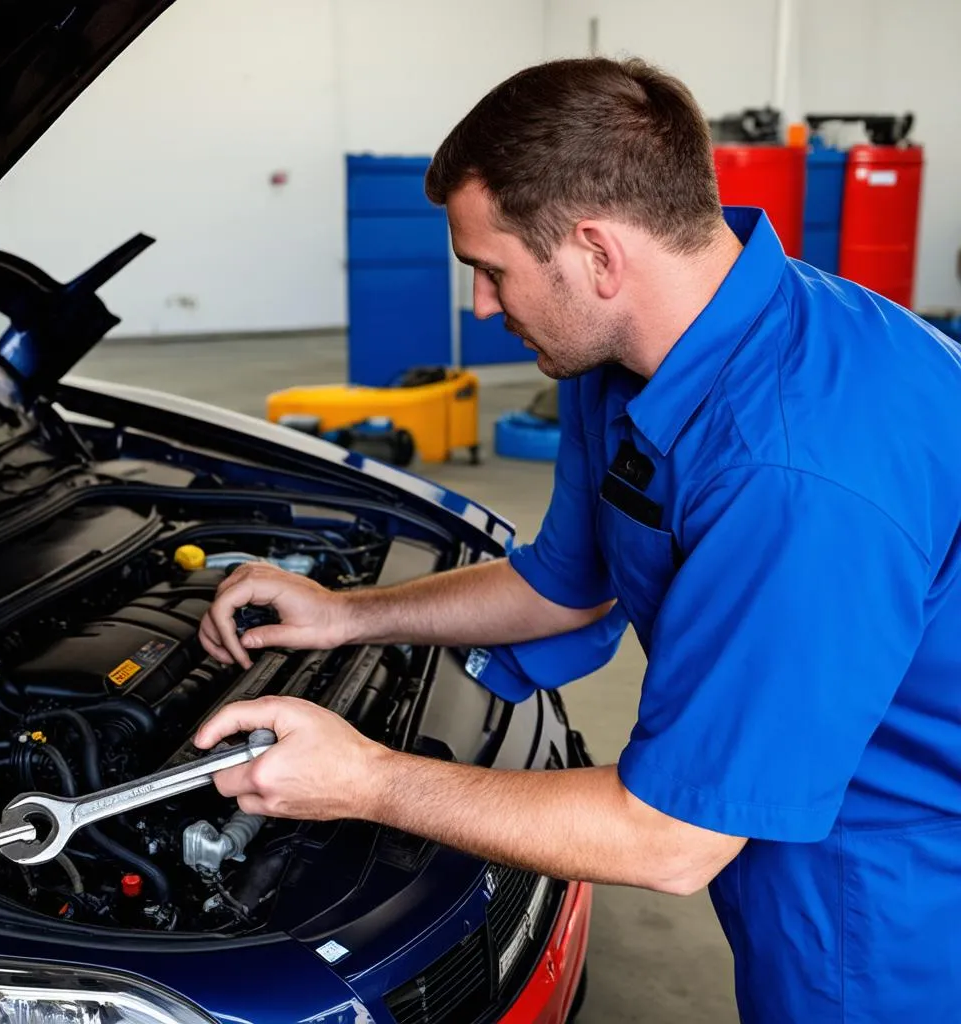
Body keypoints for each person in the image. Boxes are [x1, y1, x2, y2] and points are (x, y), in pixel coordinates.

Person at [194, 57, 961, 1023]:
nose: (481, 307)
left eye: (491, 270)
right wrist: (346, 618)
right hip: (787, 805)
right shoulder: (638, 352)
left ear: (597, 252)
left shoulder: (797, 469)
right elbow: (566, 586)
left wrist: (368, 780)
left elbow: (670, 840)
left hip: (896, 893)